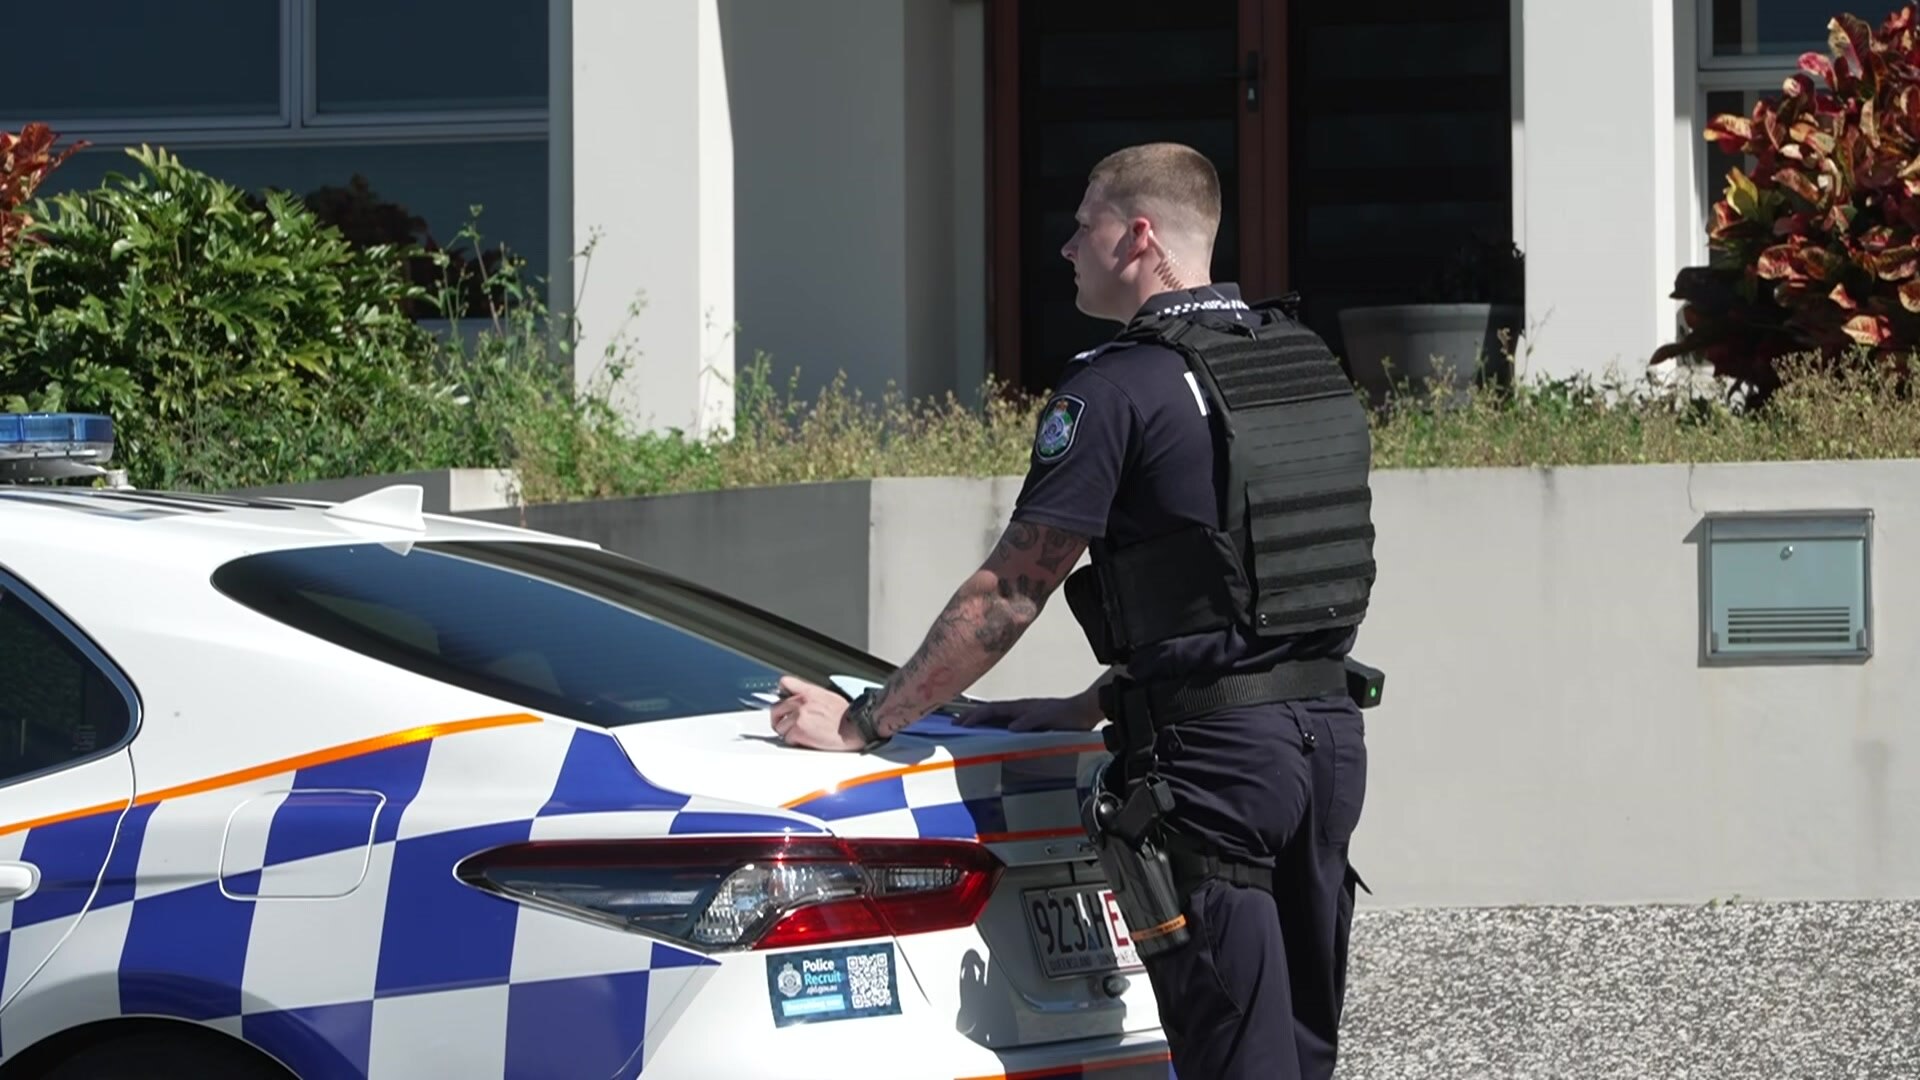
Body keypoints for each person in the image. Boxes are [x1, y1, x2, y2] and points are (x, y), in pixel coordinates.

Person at [769, 142, 1374, 1080]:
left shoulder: (1115, 386)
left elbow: (1013, 592)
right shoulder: (1297, 361)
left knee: (1237, 1061)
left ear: (1137, 235)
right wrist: (1104, 700)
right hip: (1327, 749)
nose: (1065, 248)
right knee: (1298, 1056)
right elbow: (1251, 582)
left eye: (1082, 222)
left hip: (1217, 771)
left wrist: (867, 720)